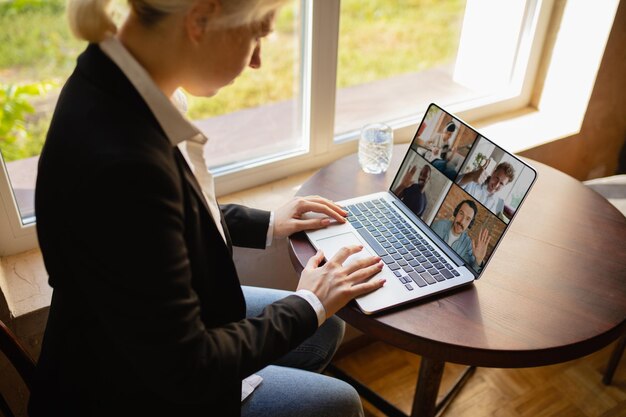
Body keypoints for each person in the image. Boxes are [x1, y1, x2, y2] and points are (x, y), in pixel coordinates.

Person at [28, 1, 387, 416]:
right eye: (257, 35)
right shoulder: (124, 165)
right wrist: (309, 302)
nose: (256, 61)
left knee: (327, 329)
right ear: (200, 19)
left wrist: (270, 223)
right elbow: (189, 368)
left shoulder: (117, 79)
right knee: (340, 402)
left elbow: (169, 215)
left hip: (133, 336)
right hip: (129, 389)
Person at [431, 200, 491, 272]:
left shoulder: (468, 245)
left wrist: (478, 260)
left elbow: (470, 272)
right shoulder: (439, 225)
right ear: (456, 213)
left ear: (470, 223)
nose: (462, 221)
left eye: (468, 219)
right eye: (461, 214)